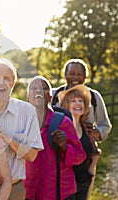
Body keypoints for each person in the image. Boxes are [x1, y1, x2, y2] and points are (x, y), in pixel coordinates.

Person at [51, 58, 112, 197]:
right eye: (72, 73)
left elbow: (105, 125)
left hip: (85, 156)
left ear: (85, 76)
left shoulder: (94, 97)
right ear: (65, 74)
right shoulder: (54, 95)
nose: (76, 77)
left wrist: (96, 133)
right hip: (60, 152)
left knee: (82, 192)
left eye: (80, 74)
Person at [0, 58, 44, 200]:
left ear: (13, 83)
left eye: (6, 78)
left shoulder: (27, 112)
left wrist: (8, 139)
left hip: (14, 190)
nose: (1, 82)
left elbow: (32, 156)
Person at [24, 75, 86, 200]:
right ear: (27, 97)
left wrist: (65, 147)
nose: (38, 91)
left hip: (60, 192)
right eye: (34, 88)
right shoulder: (20, 124)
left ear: (50, 97)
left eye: (43, 88)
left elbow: (80, 156)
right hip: (29, 192)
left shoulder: (62, 122)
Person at [58, 85, 96, 199]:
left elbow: (95, 152)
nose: (78, 104)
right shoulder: (60, 127)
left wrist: (91, 173)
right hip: (65, 185)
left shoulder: (86, 128)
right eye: (73, 101)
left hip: (84, 182)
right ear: (66, 105)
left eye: (81, 101)